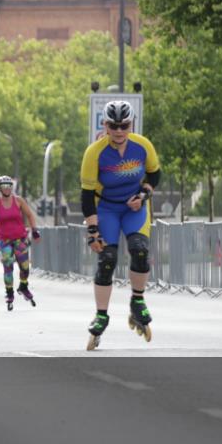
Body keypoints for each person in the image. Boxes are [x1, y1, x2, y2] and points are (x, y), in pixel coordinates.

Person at [80, 100, 160, 350]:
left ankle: (137, 302)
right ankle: (101, 315)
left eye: (123, 125)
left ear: (130, 124)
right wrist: (93, 232)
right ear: (104, 124)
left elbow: (155, 174)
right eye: (113, 125)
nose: (118, 130)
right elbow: (86, 196)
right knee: (107, 259)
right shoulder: (95, 152)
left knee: (140, 250)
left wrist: (144, 195)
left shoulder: (143, 145)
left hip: (134, 208)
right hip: (106, 208)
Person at [0, 175, 41, 311]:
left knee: (25, 267)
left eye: (9, 186)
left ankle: (23, 286)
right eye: (4, 186)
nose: (7, 189)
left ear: (12, 187)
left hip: (20, 239)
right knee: (8, 268)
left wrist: (35, 230)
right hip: (4, 241)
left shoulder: (18, 201)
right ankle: (9, 293)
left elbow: (30, 215)